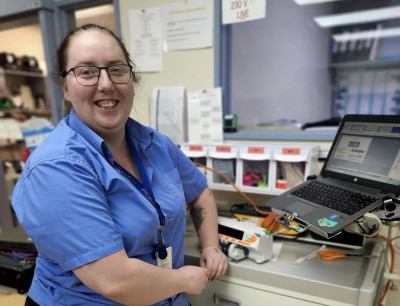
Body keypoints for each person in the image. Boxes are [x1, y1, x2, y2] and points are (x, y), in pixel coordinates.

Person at [11, 23, 228, 306]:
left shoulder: (155, 143)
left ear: (131, 78)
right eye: (86, 71)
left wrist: (211, 245)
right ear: (65, 87)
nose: (106, 84)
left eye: (117, 69)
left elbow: (199, 192)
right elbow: (114, 280)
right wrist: (185, 280)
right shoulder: (55, 167)